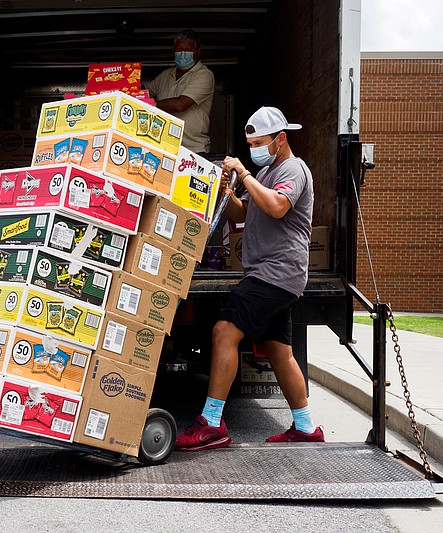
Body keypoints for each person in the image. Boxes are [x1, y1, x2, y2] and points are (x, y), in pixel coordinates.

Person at [175, 106, 323, 451]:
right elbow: (243, 212)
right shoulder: (268, 172)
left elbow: (276, 207)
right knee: (279, 351)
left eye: (259, 142)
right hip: (271, 274)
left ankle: (211, 422)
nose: (254, 149)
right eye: (250, 143)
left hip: (276, 272)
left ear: (280, 139)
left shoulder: (293, 169)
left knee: (223, 331)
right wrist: (227, 191)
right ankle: (304, 427)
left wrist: (243, 172)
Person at [143, 29, 214, 156]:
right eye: (179, 50)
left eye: (187, 50)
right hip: (164, 148)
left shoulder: (204, 75)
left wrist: (146, 105)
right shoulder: (166, 75)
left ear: (197, 52)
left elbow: (180, 105)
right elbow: (144, 91)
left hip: (193, 150)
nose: (182, 53)